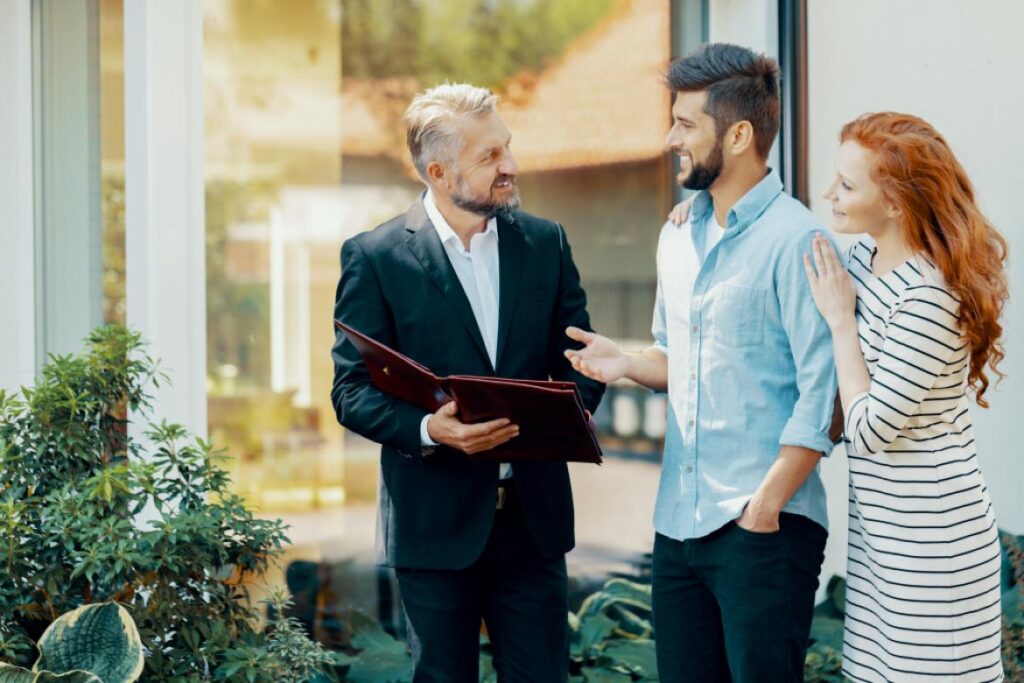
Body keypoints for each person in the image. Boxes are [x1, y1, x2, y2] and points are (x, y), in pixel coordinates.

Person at [565, 43, 838, 682]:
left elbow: (823, 395)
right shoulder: (678, 234)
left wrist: (763, 507)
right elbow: (677, 355)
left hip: (763, 530)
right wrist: (629, 363)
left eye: (686, 123)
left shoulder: (798, 240)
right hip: (678, 527)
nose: (669, 139)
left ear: (739, 134)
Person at [330, 83, 604, 682]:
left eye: (506, 147)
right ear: (437, 171)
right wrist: (432, 430)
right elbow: (350, 391)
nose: (509, 166)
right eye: (489, 157)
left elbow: (582, 360)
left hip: (534, 524)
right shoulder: (375, 257)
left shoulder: (546, 243)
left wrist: (560, 423)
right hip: (434, 528)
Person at [805, 112, 1006, 682]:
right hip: (881, 539)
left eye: (847, 185)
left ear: (893, 203)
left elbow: (868, 431)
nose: (830, 194)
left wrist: (843, 324)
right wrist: (700, 217)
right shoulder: (864, 261)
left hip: (933, 547)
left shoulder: (928, 297)